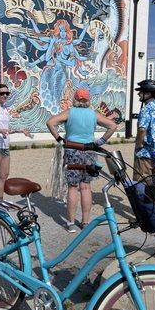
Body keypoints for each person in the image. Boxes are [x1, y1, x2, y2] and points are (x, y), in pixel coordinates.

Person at [46, 88, 117, 232]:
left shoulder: (70, 112)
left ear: (75, 99)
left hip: (72, 150)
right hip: (90, 151)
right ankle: (85, 223)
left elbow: (50, 122)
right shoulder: (93, 114)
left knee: (73, 187)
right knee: (86, 187)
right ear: (88, 100)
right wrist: (100, 141)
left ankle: (71, 223)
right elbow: (112, 125)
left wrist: (60, 139)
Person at [0, 84, 31, 199]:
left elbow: (5, 130)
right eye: (2, 93)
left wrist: (19, 131)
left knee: (4, 175)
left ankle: (0, 201)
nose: (5, 95)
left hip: (4, 146)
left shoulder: (5, 109)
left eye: (7, 93)